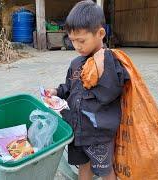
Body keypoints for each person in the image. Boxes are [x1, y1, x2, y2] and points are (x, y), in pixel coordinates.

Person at [45, 1, 129, 179]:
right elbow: (69, 87)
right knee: (84, 166)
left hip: (99, 133)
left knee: (105, 170)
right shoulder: (76, 63)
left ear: (100, 33)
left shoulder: (111, 61)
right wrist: (56, 92)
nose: (76, 46)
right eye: (72, 40)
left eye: (81, 41)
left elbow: (111, 93)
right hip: (77, 128)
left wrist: (100, 67)